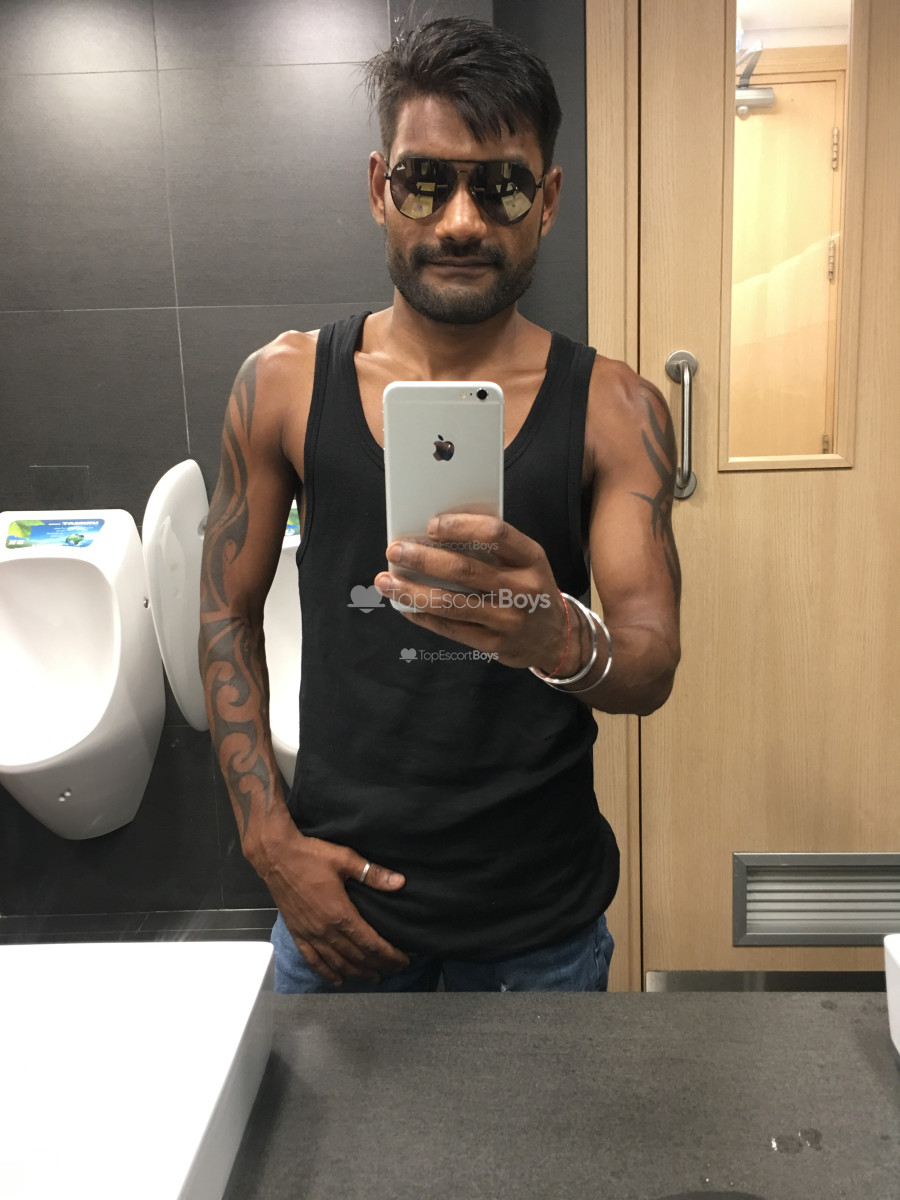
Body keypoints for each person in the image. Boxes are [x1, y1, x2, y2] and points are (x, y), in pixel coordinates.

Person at [198, 17, 681, 993]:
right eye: (427, 181)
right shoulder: (283, 384)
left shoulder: (618, 409)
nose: (461, 220)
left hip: (541, 926)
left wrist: (556, 635)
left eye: (501, 186)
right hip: (336, 912)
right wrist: (269, 843)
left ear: (547, 200)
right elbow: (224, 617)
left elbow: (650, 662)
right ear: (381, 188)